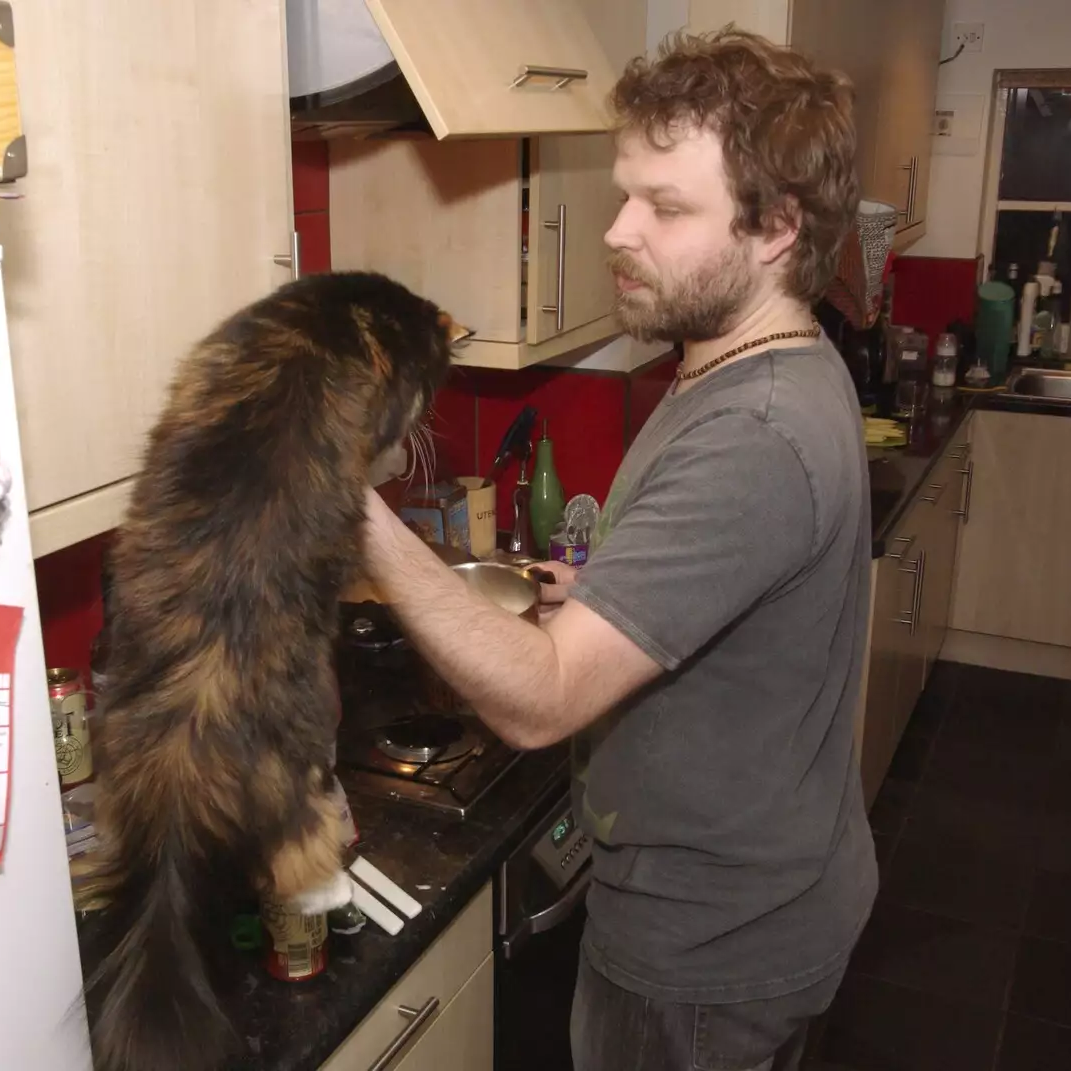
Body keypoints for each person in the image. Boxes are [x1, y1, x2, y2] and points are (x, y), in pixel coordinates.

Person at [360, 26, 875, 1071]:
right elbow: (738, 576)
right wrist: (610, 588)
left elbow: (537, 702)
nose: (616, 231)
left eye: (666, 207)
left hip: (704, 946)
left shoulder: (752, 431)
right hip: (768, 887)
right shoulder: (741, 362)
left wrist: (346, 505)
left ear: (775, 227)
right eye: (624, 192)